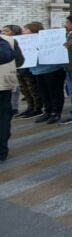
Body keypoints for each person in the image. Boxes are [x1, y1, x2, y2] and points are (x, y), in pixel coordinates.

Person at [24, 22, 66, 124]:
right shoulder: (27, 41)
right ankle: (47, 111)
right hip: (37, 71)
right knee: (43, 93)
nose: (23, 31)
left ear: (33, 30)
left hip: (51, 70)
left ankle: (55, 112)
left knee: (54, 93)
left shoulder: (44, 39)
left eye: (25, 29)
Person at [0, 32, 24, 163]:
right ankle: (2, 152)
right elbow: (20, 61)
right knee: (3, 117)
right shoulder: (10, 40)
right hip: (4, 83)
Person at [3, 25, 33, 119]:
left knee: (17, 90)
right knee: (23, 90)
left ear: (14, 32)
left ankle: (15, 108)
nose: (3, 33)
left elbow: (19, 59)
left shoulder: (13, 41)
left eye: (6, 31)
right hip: (9, 71)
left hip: (18, 69)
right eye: (3, 31)